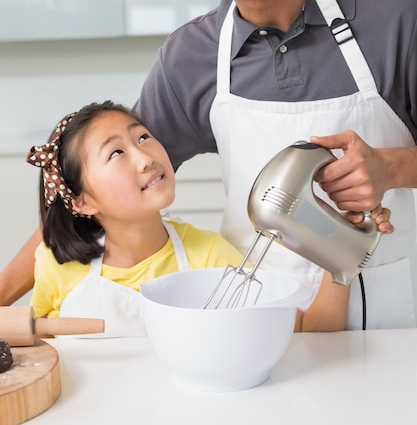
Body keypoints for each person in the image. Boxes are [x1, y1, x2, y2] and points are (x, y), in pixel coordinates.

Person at [1, 0, 415, 329]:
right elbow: (90, 188)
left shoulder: (394, 14)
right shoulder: (189, 60)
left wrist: (392, 168)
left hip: (396, 321)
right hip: (253, 328)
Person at [26, 100, 390, 334]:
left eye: (142, 138)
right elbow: (34, 346)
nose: (145, 157)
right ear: (84, 201)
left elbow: (308, 330)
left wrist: (340, 257)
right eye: (116, 153)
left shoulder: (210, 256)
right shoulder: (55, 264)